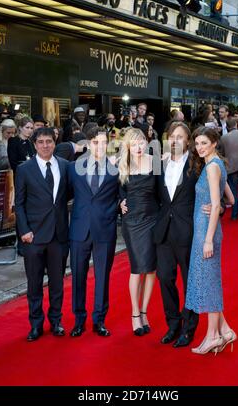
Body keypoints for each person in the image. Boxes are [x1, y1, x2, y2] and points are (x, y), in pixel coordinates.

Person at [15, 127, 70, 341]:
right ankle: (36, 324)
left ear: (54, 142)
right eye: (41, 142)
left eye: (49, 141)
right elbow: (18, 204)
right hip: (34, 237)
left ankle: (56, 321)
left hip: (58, 235)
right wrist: (24, 231)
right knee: (34, 284)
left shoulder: (65, 167)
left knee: (57, 283)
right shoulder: (25, 169)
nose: (45, 145)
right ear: (35, 144)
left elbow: (70, 195)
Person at [185, 127, 236, 355]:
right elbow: (231, 199)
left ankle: (213, 337)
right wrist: (219, 206)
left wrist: (207, 240)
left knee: (209, 284)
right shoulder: (215, 164)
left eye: (204, 143)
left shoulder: (213, 167)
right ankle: (225, 331)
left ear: (214, 143)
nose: (200, 147)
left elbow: (217, 204)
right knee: (207, 281)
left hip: (206, 232)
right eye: (197, 143)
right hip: (204, 230)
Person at [68, 126, 119, 338]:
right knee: (78, 276)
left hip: (105, 229)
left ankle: (99, 320)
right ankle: (79, 320)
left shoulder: (116, 169)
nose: (100, 146)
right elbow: (62, 195)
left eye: (104, 142)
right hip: (79, 229)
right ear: (89, 144)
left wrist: (122, 205)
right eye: (96, 142)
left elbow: (123, 194)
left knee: (102, 278)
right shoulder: (72, 167)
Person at [153, 121, 200, 348]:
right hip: (163, 231)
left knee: (189, 281)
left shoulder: (195, 165)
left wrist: (217, 207)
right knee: (164, 277)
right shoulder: (159, 165)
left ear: (188, 141)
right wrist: (124, 200)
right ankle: (173, 324)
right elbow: (147, 192)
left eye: (180, 137)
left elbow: (212, 191)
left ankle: (189, 328)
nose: (175, 140)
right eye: (172, 136)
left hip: (188, 231)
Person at [119, 128, 159, 336]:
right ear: (127, 146)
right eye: (133, 144)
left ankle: (144, 311)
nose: (138, 147)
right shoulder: (123, 164)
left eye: (141, 142)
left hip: (153, 218)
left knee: (151, 269)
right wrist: (120, 201)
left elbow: (164, 190)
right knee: (137, 268)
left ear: (147, 142)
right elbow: (117, 189)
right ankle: (135, 314)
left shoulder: (156, 162)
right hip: (133, 222)